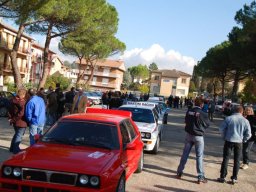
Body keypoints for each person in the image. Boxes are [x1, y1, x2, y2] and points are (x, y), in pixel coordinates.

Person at [176, 98, 210, 184]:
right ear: (201, 105)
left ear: (195, 103)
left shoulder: (189, 111)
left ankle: (179, 172)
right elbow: (207, 124)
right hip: (198, 136)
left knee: (185, 154)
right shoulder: (203, 113)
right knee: (199, 156)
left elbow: (186, 121)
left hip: (189, 135)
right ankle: (200, 176)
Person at [217, 105, 251, 184]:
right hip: (239, 142)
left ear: (234, 111)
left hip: (229, 140)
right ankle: (234, 178)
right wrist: (244, 140)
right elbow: (249, 134)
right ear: (242, 112)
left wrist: (224, 137)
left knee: (226, 158)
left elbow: (221, 129)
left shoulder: (229, 118)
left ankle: (222, 177)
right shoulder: (245, 121)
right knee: (237, 160)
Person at [8, 88, 28, 154]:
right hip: (21, 121)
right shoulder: (22, 102)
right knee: (19, 136)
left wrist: (11, 119)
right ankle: (15, 149)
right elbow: (21, 114)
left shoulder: (13, 100)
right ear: (23, 95)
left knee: (16, 135)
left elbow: (10, 111)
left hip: (15, 121)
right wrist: (13, 119)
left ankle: (12, 148)